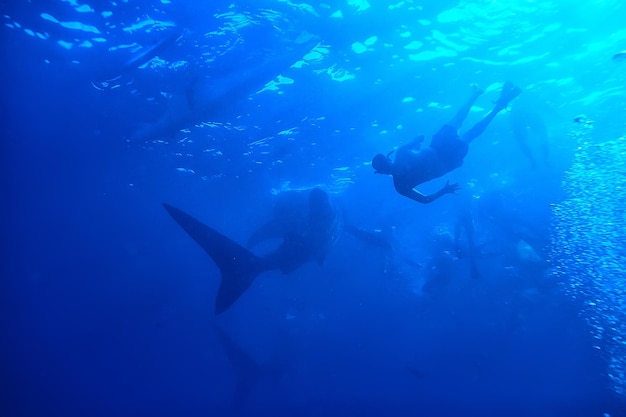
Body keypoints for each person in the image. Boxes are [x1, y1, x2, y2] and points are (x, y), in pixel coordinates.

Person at [372, 81, 522, 204]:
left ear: (380, 172)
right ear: (388, 158)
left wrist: (444, 190)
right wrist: (416, 145)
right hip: (438, 149)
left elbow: (425, 200)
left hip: (446, 162)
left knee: (470, 134)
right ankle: (477, 95)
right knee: (458, 121)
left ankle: (496, 108)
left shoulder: (400, 186)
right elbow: (420, 138)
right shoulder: (401, 153)